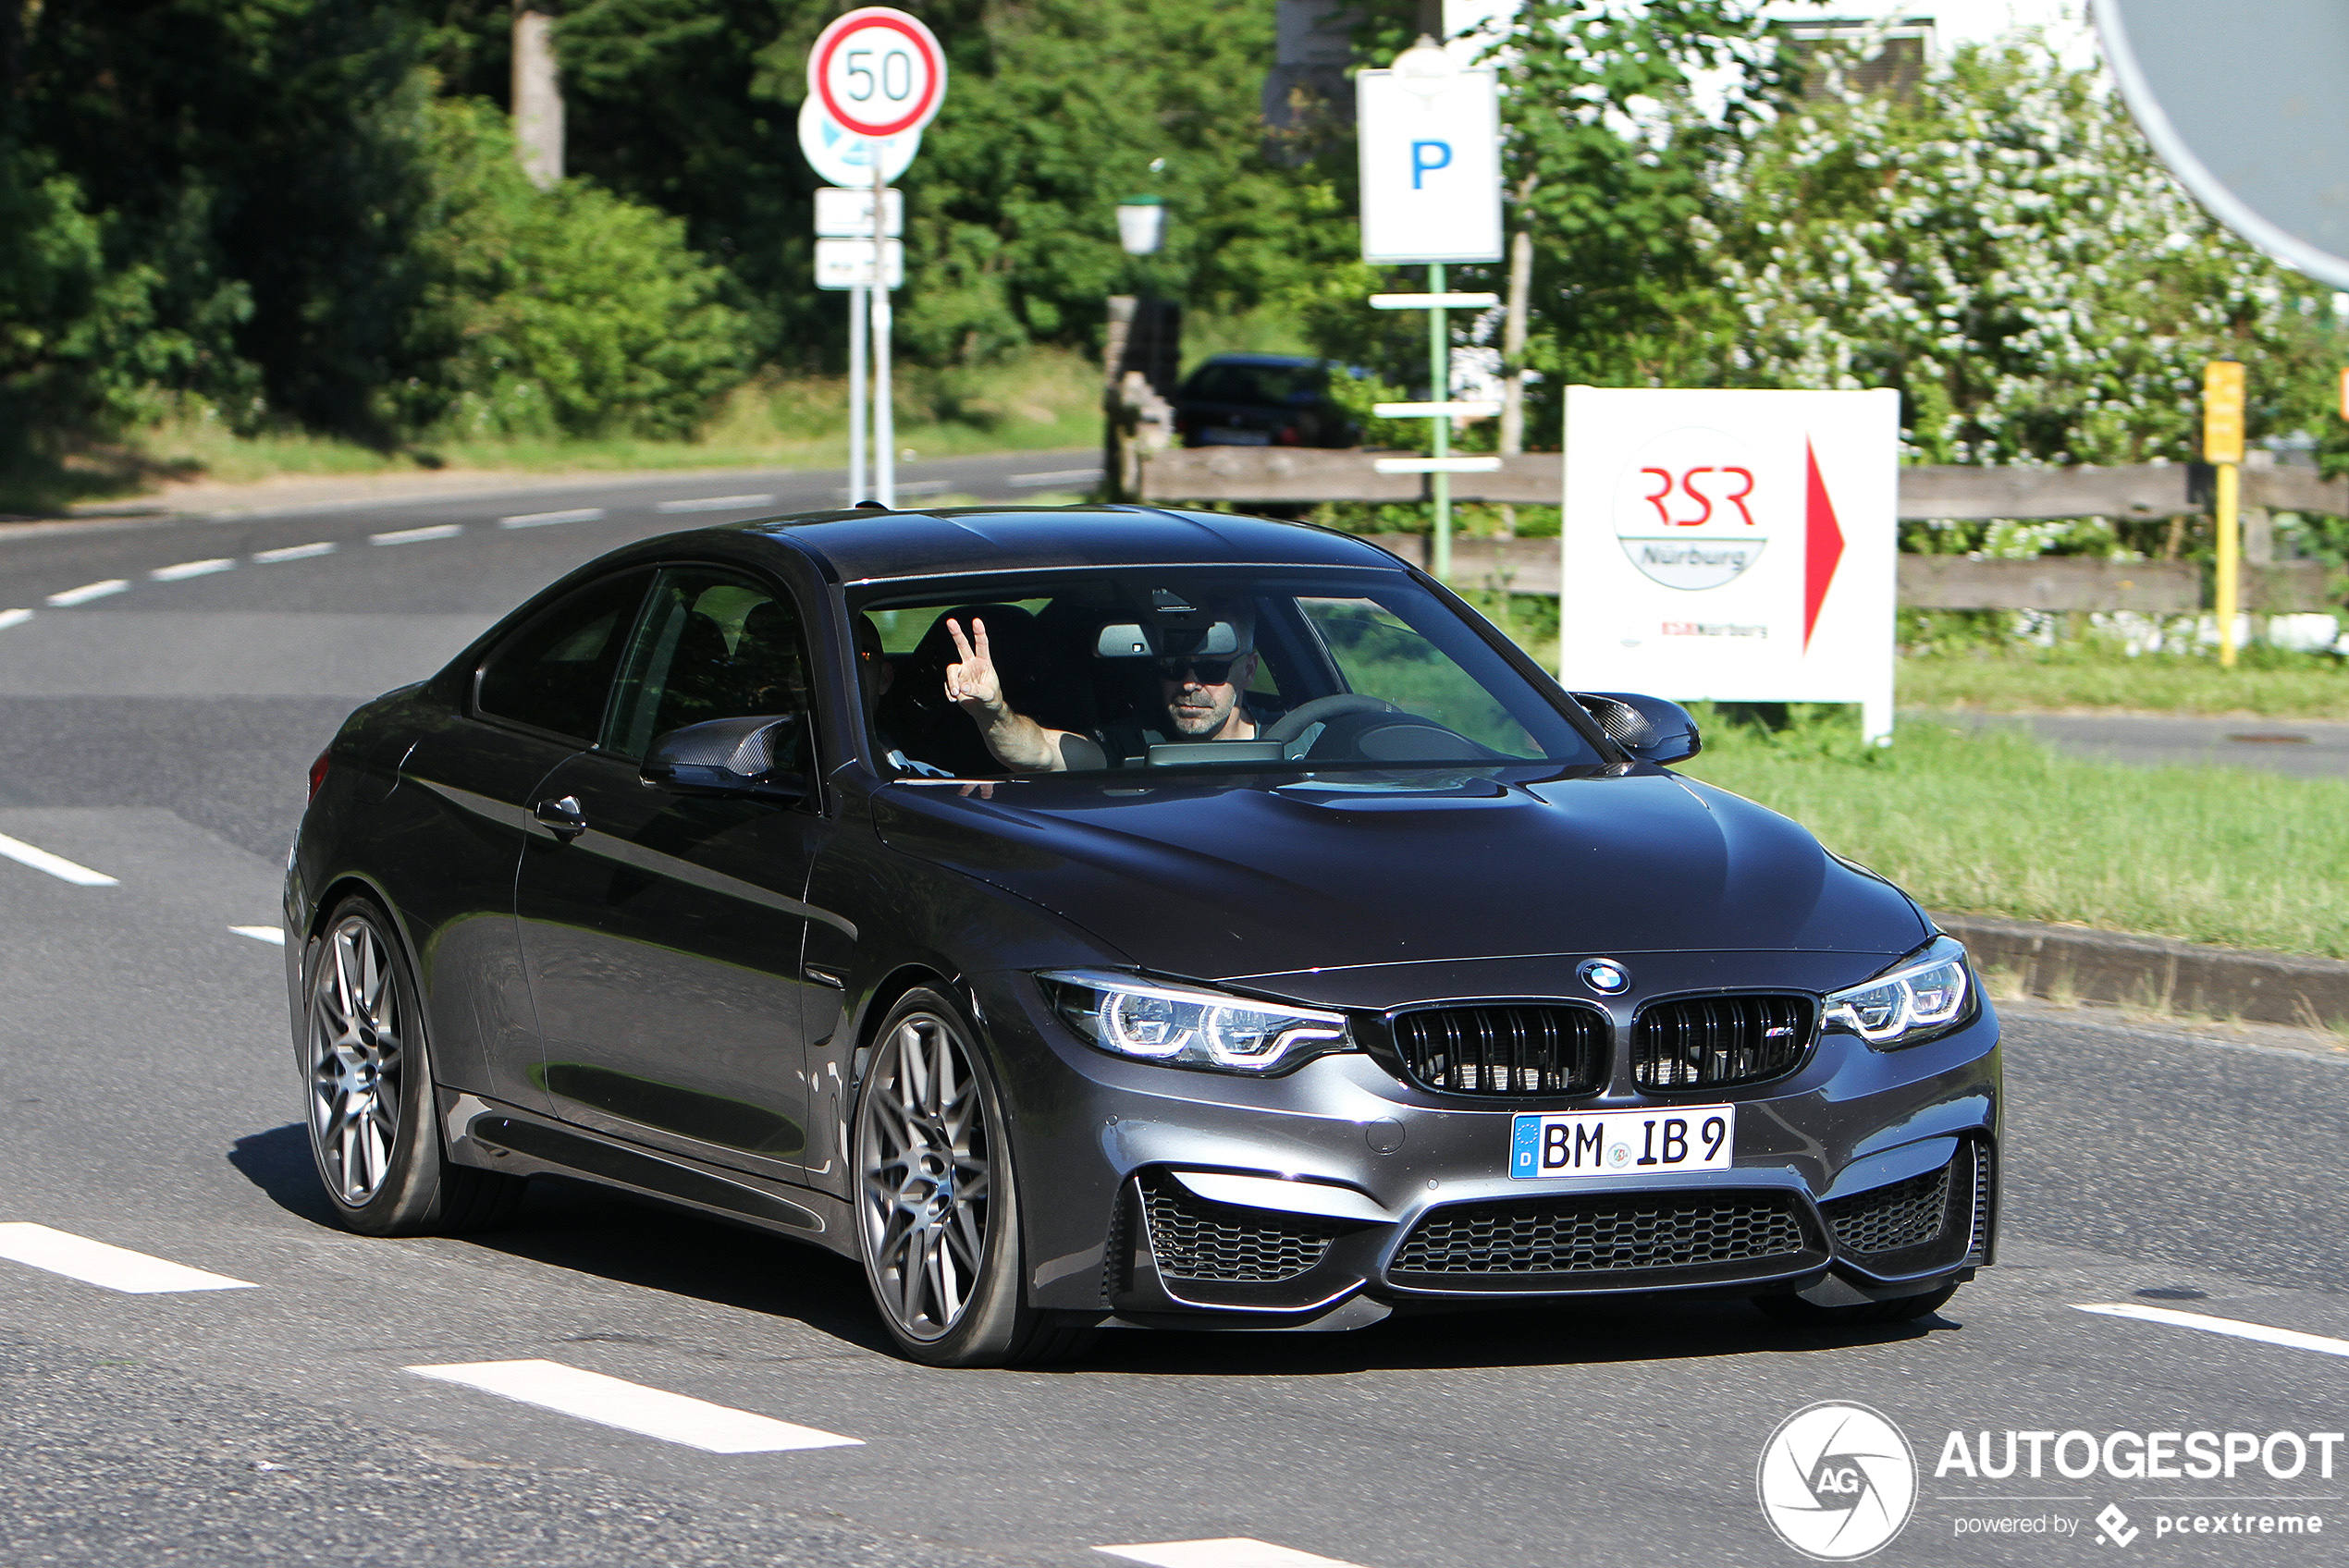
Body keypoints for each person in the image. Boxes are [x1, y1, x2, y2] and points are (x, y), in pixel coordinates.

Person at [942, 604, 1268, 773]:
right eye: (1172, 665)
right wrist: (993, 711)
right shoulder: (1134, 745)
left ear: (1249, 670)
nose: (1188, 683)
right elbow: (1039, 752)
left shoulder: (1305, 741)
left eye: (1212, 667)